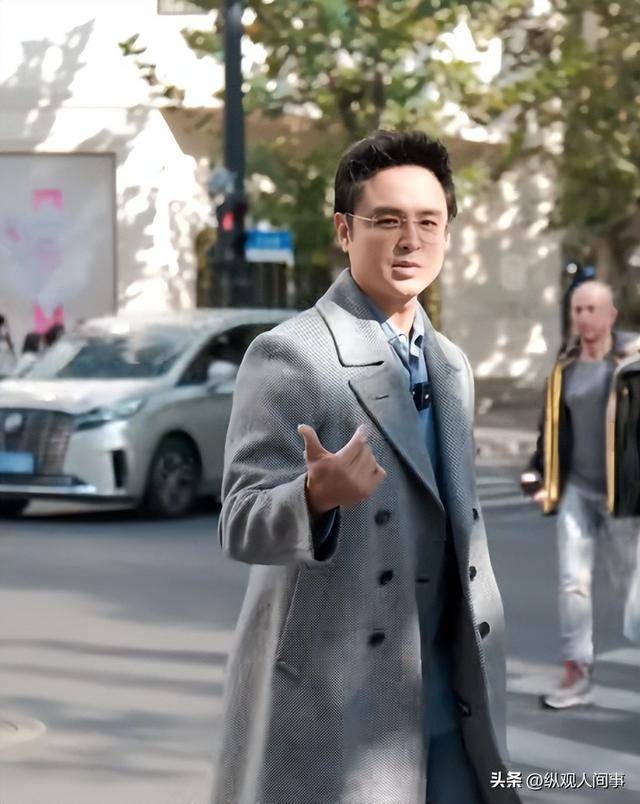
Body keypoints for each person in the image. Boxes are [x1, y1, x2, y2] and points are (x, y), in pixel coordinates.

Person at [213, 130, 519, 804]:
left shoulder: (452, 365)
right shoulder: (292, 355)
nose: (410, 240)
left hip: (452, 687)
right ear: (345, 231)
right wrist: (312, 496)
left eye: (428, 222)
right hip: (343, 704)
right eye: (387, 221)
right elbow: (240, 523)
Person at [521, 280, 640, 709]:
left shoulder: (632, 367)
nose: (584, 318)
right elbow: (551, 426)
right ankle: (577, 671)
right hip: (577, 490)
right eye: (578, 310)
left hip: (623, 497)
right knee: (573, 582)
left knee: (632, 594)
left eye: (592, 309)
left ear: (611, 315)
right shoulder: (565, 367)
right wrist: (537, 472)